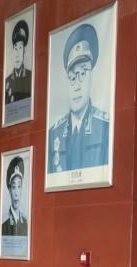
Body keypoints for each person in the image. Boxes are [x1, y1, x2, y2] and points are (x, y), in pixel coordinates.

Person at [48, 23, 109, 172]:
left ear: (91, 77)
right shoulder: (54, 134)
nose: (76, 85)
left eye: (82, 74)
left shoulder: (105, 127)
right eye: (72, 77)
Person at [5, 20, 32, 104]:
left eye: (20, 48)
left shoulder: (31, 77)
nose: (17, 54)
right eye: (15, 48)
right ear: (13, 50)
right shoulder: (7, 81)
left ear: (24, 50)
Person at [1, 157, 28, 236]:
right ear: (9, 190)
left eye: (19, 186)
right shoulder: (3, 223)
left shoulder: (26, 221)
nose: (16, 193)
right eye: (13, 187)